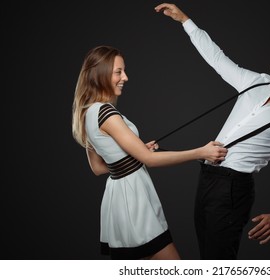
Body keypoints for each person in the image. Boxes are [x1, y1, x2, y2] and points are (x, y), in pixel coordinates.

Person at [155, 3, 270, 259]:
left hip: (232, 191)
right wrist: (185, 20)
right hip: (206, 179)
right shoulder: (256, 82)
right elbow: (216, 58)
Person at [71, 45, 227, 260]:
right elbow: (150, 160)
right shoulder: (106, 112)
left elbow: (98, 167)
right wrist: (201, 152)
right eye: (118, 71)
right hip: (133, 201)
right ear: (100, 73)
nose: (125, 77)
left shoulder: (87, 111)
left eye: (123, 71)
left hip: (120, 198)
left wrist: (133, 152)